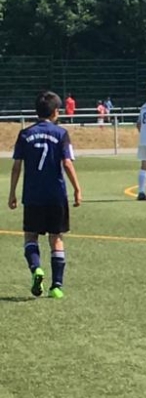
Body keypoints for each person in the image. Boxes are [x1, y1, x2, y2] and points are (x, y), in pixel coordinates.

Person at [8, 91, 83, 299]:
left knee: (30, 236)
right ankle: (56, 286)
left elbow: (16, 166)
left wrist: (12, 192)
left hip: (33, 195)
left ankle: (36, 269)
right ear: (56, 111)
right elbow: (67, 163)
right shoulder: (61, 134)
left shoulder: (25, 134)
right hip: (56, 195)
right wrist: (77, 188)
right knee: (56, 238)